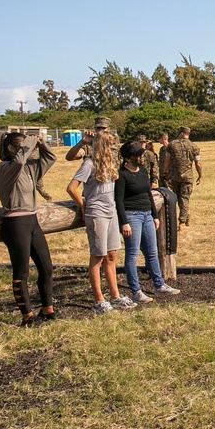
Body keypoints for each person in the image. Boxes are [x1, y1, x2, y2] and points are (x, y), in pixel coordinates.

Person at [66, 132, 135, 314]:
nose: (114, 149)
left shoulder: (110, 164)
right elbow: (72, 188)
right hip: (96, 213)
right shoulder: (89, 164)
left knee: (111, 255)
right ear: (103, 146)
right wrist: (83, 205)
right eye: (111, 145)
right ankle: (99, 300)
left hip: (111, 212)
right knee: (97, 256)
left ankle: (115, 296)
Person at [0, 132, 57, 326]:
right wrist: (29, 143)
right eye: (22, 146)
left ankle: (47, 309)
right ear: (10, 148)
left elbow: (51, 158)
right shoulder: (4, 168)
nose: (28, 150)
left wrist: (41, 143)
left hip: (32, 219)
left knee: (46, 267)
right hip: (15, 222)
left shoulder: (30, 168)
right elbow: (18, 162)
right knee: (21, 272)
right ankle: (27, 316)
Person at [114, 140, 181, 305]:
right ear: (128, 158)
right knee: (132, 254)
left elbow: (149, 194)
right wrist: (124, 222)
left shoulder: (143, 171)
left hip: (146, 215)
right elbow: (119, 201)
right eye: (137, 154)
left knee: (152, 252)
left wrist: (154, 215)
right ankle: (136, 290)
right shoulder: (121, 175)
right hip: (132, 216)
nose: (141, 156)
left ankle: (159, 285)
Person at [162, 126, 202, 229]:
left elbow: (167, 160)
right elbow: (198, 163)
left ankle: (183, 219)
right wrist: (200, 175)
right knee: (185, 198)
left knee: (177, 197)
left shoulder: (171, 145)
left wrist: (164, 172)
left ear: (181, 133)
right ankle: (184, 219)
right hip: (187, 177)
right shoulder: (194, 147)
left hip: (174, 176)